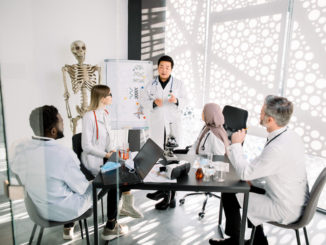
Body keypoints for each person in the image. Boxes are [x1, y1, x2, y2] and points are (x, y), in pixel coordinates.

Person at [209, 95, 309, 245]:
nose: (259, 114)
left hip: (285, 208)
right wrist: (252, 179)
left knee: (230, 192)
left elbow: (244, 172)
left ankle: (235, 241)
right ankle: (259, 240)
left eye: (262, 112)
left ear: (270, 120)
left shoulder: (278, 148)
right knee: (245, 186)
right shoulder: (290, 136)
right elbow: (266, 167)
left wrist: (236, 144)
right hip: (291, 197)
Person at [10, 106, 93, 240]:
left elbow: (16, 175)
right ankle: (111, 226)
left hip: (37, 210)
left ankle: (69, 227)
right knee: (98, 185)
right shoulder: (63, 154)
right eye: (61, 121)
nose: (63, 123)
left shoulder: (20, 148)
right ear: (53, 131)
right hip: (63, 212)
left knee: (61, 183)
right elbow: (82, 188)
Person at [81, 85, 143, 223]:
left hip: (105, 156)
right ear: (102, 98)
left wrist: (112, 150)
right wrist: (106, 155)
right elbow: (86, 146)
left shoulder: (105, 114)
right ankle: (112, 221)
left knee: (129, 166)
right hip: (94, 161)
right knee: (120, 175)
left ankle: (126, 206)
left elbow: (107, 139)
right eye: (110, 94)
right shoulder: (89, 116)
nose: (111, 97)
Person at [142, 55, 185, 210]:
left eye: (167, 67)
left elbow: (186, 102)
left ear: (171, 69)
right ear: (158, 68)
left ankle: (170, 197)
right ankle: (162, 191)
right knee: (160, 159)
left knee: (171, 161)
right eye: (161, 67)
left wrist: (177, 101)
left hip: (172, 126)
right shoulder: (150, 85)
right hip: (158, 126)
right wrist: (153, 103)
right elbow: (142, 102)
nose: (164, 70)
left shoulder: (179, 84)